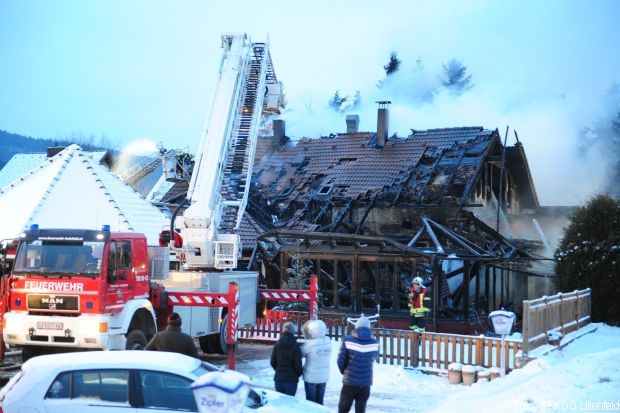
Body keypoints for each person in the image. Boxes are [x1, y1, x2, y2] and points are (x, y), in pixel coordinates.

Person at [337, 314, 379, 413]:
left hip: (349, 381)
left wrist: (344, 371)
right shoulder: (375, 343)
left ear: (356, 327)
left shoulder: (348, 340)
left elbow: (340, 360)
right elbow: (373, 357)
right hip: (365, 383)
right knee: (360, 410)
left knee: (343, 409)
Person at [301, 319, 332, 405]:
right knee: (320, 402)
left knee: (311, 404)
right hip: (323, 376)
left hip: (311, 377)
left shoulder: (308, 345)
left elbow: (300, 354)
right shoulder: (328, 342)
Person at [270, 321, 303, 396]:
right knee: (290, 403)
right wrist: (298, 373)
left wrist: (278, 369)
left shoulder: (277, 345)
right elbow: (298, 363)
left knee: (280, 403)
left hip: (279, 378)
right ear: (293, 332)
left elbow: (272, 362)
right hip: (291, 379)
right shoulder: (295, 345)